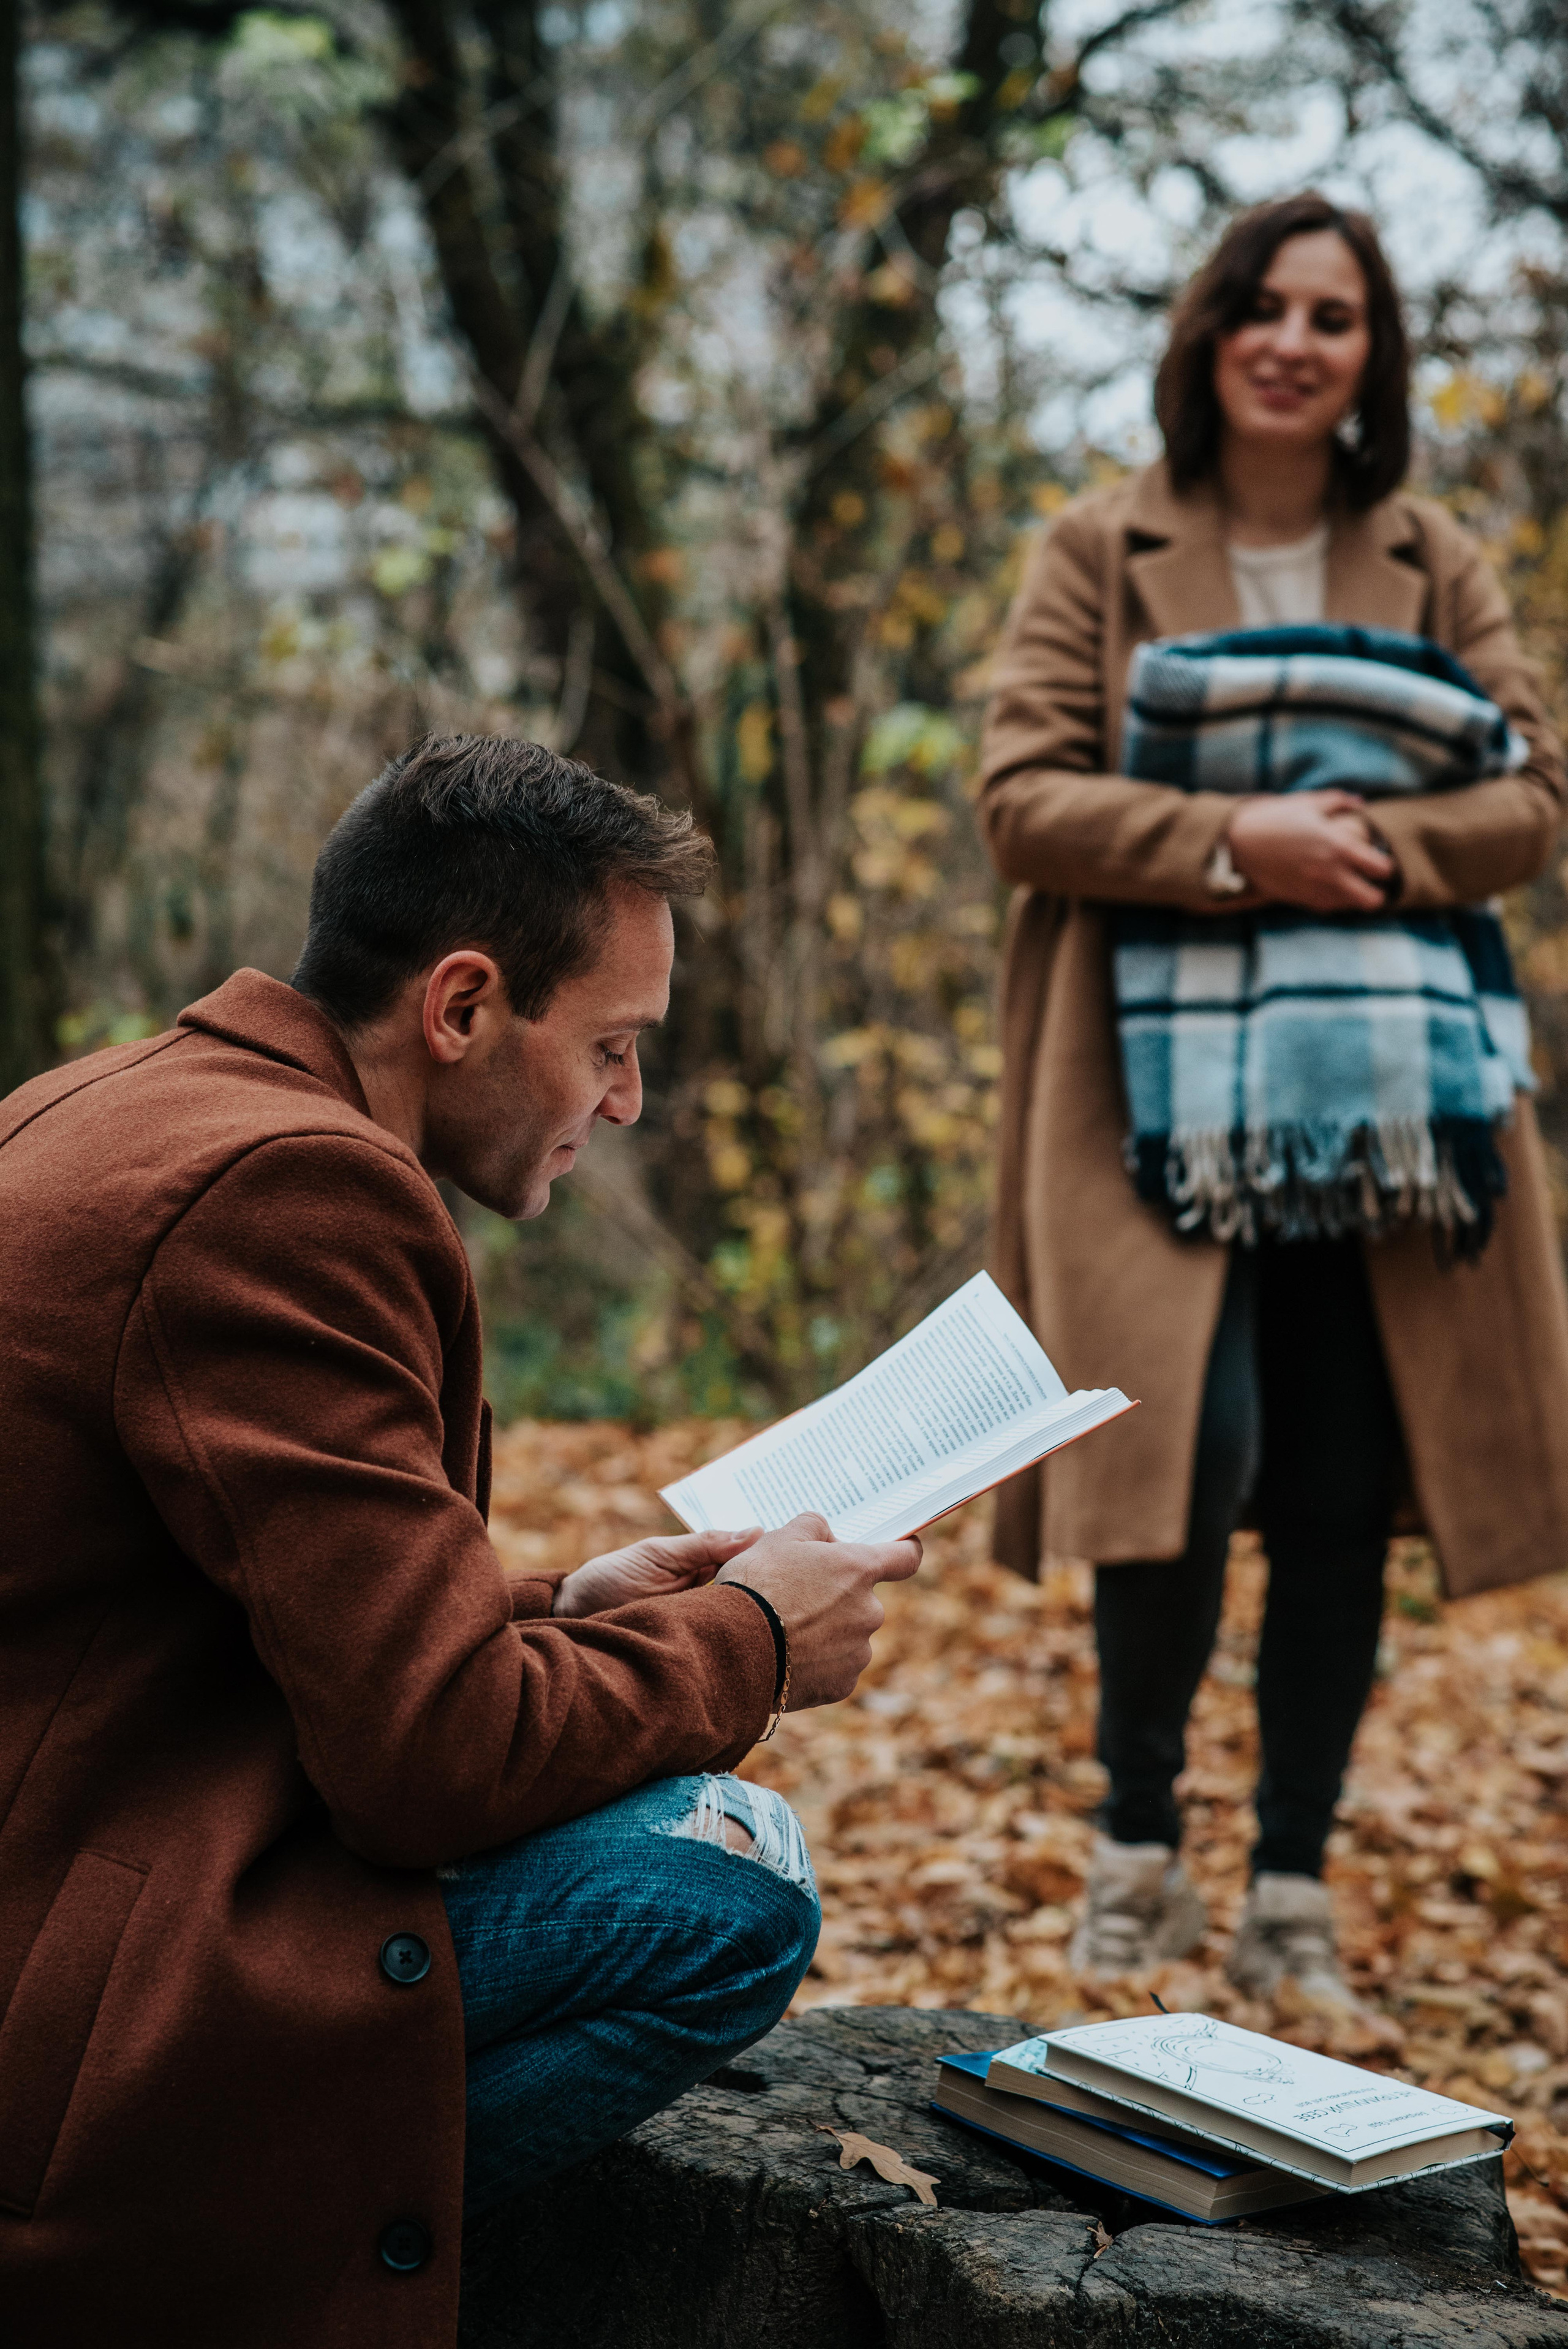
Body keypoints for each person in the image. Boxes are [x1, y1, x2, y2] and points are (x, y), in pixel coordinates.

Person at [0, 735, 921, 2348]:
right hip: (71, 1995)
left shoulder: (124, 1099)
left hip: (75, 1849)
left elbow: (214, 1575)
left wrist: (566, 1599)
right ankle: (234, 2253)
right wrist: (752, 1643)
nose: (626, 1102)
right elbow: (427, 1756)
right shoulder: (293, 1190)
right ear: (466, 1005)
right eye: (615, 1046)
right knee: (727, 1886)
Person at [978, 193, 1568, 2002]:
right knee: (1186, 1438)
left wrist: (1367, 842)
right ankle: (1136, 1834)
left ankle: (1293, 1875)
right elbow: (1021, 797)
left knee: (1339, 1466)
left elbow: (1536, 797)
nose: (1297, 341)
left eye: (1336, 314)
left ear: (1371, 355)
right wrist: (1236, 839)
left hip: (1386, 1100)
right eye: (1266, 307)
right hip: (1147, 1099)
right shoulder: (1101, 546)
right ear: (1212, 333)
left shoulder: (1432, 558)